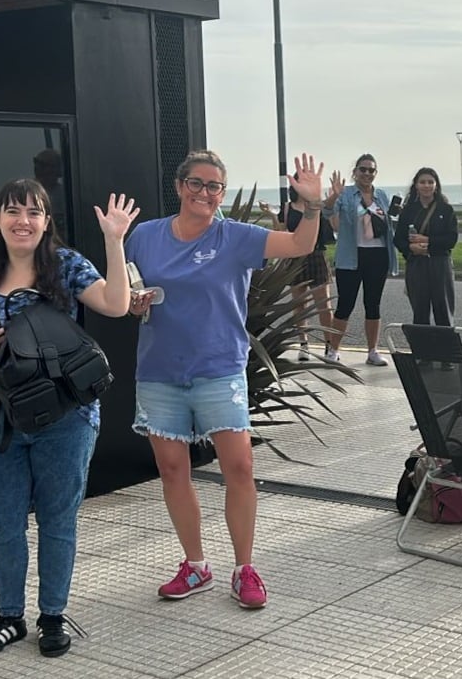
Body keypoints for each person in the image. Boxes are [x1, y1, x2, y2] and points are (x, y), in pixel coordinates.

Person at [124, 150, 324, 610]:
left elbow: (299, 245)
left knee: (240, 468)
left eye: (215, 186)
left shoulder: (236, 237)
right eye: (197, 183)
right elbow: (129, 287)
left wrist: (311, 206)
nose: (206, 194)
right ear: (179, 187)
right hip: (160, 370)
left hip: (219, 368)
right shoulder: (145, 236)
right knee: (173, 470)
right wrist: (135, 302)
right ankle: (195, 566)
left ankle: (244, 568)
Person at [0, 179, 137, 660]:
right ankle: (9, 617)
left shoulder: (66, 266)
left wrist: (115, 242)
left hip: (66, 417)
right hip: (0, 421)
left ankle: (52, 615)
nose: (23, 221)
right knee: (4, 523)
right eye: (13, 211)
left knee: (58, 520)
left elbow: (117, 305)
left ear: (46, 221)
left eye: (33, 212)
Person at [322, 153, 398, 365]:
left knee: (373, 304)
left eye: (371, 170)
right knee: (345, 305)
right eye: (362, 169)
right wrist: (333, 196)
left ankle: (373, 351)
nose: (366, 173)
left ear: (375, 173)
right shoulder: (345, 194)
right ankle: (333, 350)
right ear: (355, 172)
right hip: (351, 256)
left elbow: (390, 222)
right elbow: (327, 213)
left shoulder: (381, 195)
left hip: (378, 254)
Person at [259, 182, 334, 361]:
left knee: (323, 303)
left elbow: (329, 206)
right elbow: (280, 231)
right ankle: (304, 344)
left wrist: (334, 194)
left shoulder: (316, 204)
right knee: (299, 304)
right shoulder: (287, 208)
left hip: (316, 254)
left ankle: (330, 346)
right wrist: (271, 214)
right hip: (294, 258)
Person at [393, 167, 458, 339]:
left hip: (439, 263)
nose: (426, 185)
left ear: (436, 185)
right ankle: (423, 355)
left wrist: (428, 241)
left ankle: (447, 357)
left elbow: (451, 239)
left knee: (443, 311)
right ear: (416, 185)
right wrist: (410, 249)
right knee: (420, 311)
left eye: (430, 182)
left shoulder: (446, 209)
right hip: (417, 264)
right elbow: (398, 239)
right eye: (422, 182)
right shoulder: (408, 210)